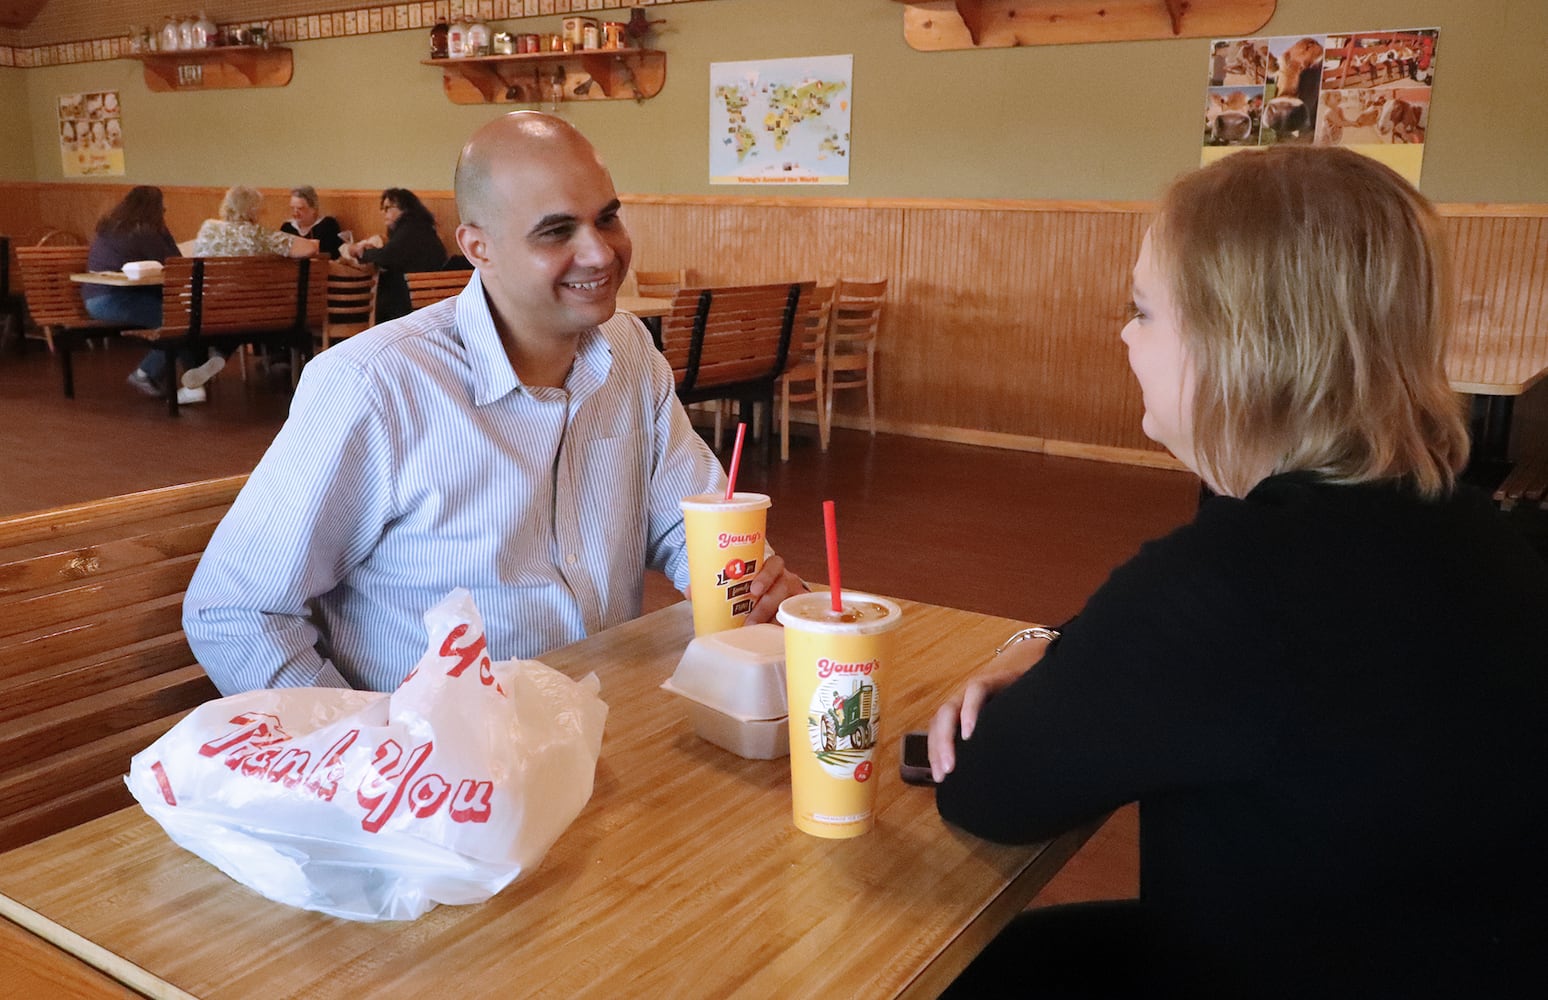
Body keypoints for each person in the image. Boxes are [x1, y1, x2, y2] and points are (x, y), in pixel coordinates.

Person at [927, 145, 1548, 997]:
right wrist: (1053, 644)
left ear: (1240, 345)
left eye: (1143, 311)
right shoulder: (1477, 526)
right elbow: (1187, 654)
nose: (1122, 334)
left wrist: (1050, 660)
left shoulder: (1229, 587)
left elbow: (988, 792)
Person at [184, 111, 806, 695]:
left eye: (608, 218)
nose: (600, 253)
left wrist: (748, 585)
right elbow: (235, 611)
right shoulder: (373, 385)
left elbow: (683, 520)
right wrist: (366, 753)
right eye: (557, 231)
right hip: (437, 779)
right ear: (478, 247)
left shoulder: (629, 352)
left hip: (595, 725)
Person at [175, 186, 319, 398]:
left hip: (206, 311)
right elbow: (308, 249)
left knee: (197, 319)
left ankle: (196, 383)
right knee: (240, 314)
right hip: (251, 313)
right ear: (254, 210)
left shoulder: (208, 228)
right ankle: (219, 355)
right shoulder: (260, 235)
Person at [80, 186, 210, 405]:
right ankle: (148, 373)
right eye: (162, 206)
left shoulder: (112, 226)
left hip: (99, 296)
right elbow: (173, 261)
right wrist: (163, 230)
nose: (165, 209)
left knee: (181, 317)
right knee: (179, 321)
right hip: (113, 298)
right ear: (155, 208)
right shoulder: (143, 231)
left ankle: (195, 382)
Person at [340, 187, 448, 323]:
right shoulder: (419, 227)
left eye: (388, 208)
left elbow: (387, 257)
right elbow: (393, 253)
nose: (384, 213)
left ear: (405, 209)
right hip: (425, 297)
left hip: (414, 304)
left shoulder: (411, 228)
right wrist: (373, 252)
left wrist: (362, 252)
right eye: (383, 209)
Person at [279, 185, 344, 258]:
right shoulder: (287, 228)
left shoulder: (327, 225)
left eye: (300, 209)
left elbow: (334, 255)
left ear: (313, 209)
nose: (295, 213)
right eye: (292, 208)